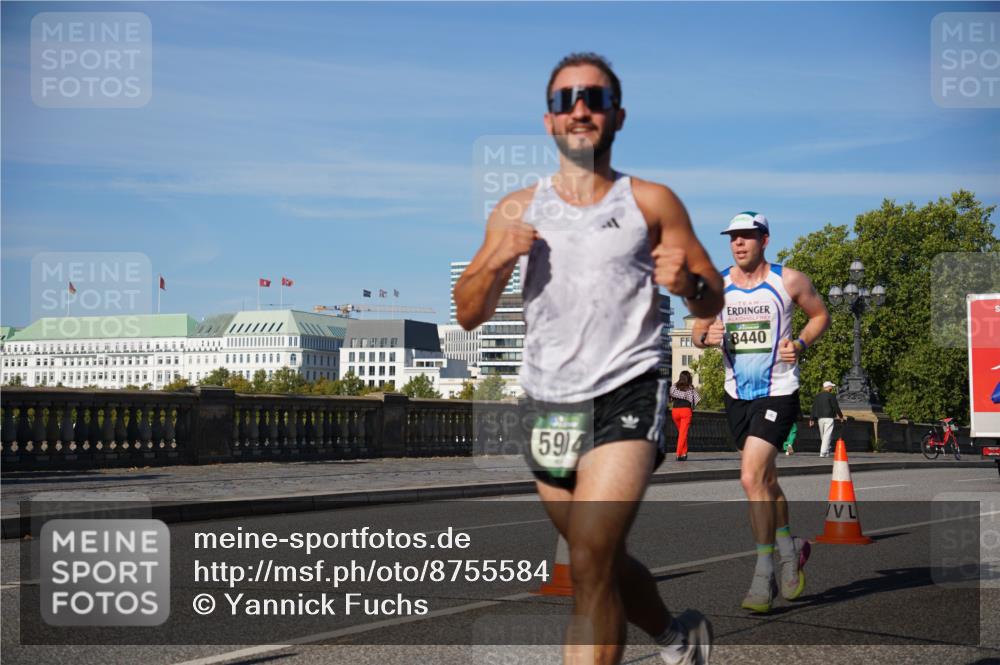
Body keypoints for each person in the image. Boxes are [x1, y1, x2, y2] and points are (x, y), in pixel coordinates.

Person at [455, 52, 724, 665]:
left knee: (594, 554)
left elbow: (713, 293)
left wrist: (687, 284)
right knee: (590, 554)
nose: (580, 110)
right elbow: (468, 311)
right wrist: (501, 258)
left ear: (617, 116)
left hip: (629, 389)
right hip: (549, 403)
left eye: (594, 99)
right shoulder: (517, 209)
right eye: (565, 100)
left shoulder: (652, 202)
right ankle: (677, 637)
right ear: (549, 121)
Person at [691, 210, 830, 613]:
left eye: (747, 236)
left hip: (778, 391)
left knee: (750, 476)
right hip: (737, 394)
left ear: (764, 240)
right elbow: (700, 332)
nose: (739, 243)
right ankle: (792, 549)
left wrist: (800, 344)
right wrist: (706, 336)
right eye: (733, 237)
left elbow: (820, 315)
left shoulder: (788, 280)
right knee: (765, 482)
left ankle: (763, 573)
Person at [669, 370, 700, 461]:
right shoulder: (690, 388)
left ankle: (684, 453)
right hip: (685, 412)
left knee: (682, 433)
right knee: (683, 433)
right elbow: (696, 401)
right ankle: (678, 454)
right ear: (689, 378)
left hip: (675, 411)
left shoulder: (674, 387)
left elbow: (670, 398)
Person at [810, 381, 845, 457]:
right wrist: (841, 416)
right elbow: (836, 407)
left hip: (820, 418)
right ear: (828, 387)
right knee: (827, 435)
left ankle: (826, 450)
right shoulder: (831, 396)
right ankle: (824, 451)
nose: (832, 388)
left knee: (823, 435)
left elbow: (813, 408)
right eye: (831, 386)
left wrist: (811, 419)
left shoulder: (817, 396)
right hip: (829, 417)